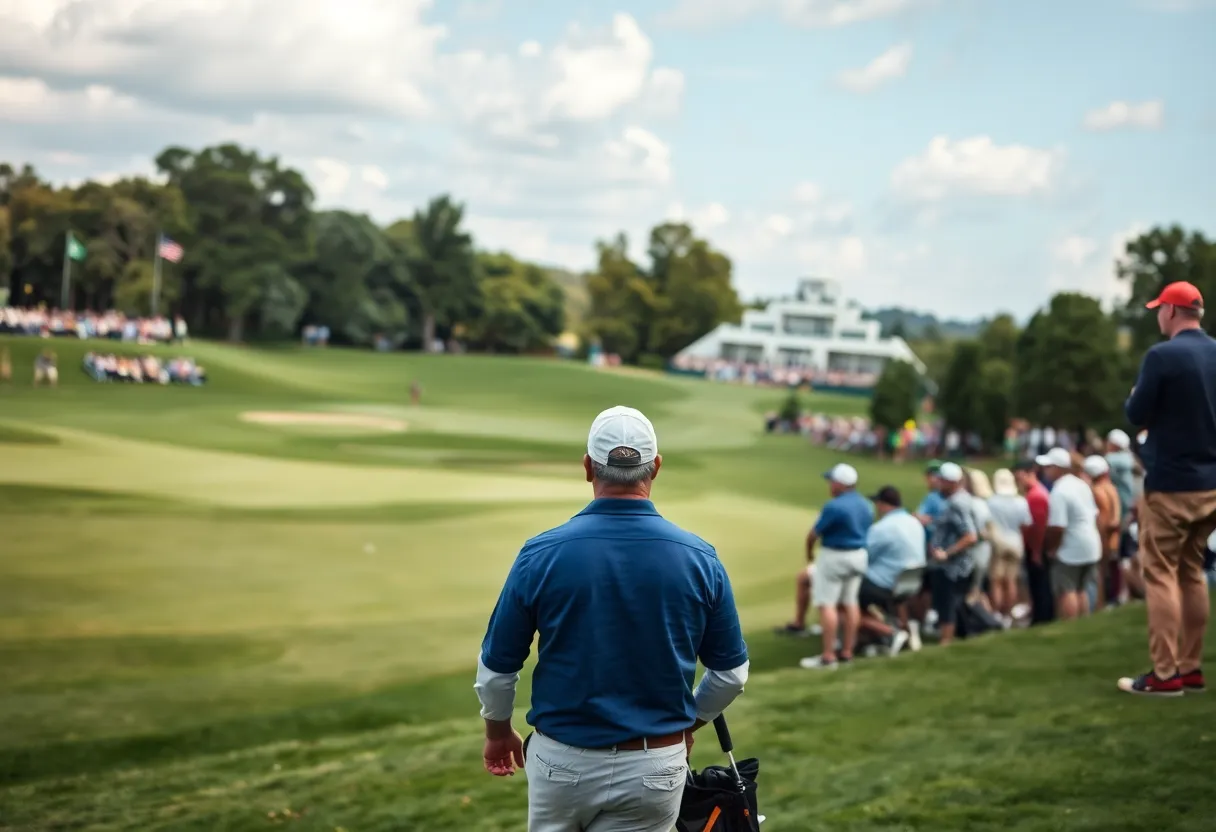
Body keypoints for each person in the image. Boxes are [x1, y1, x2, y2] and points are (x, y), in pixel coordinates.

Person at [474, 405, 749, 830]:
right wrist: (688, 723)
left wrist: (496, 733)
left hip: (562, 762)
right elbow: (731, 674)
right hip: (656, 765)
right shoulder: (700, 559)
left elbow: (497, 670)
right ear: (655, 468)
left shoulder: (540, 554)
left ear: (588, 467)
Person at [1118, 280, 1216, 697]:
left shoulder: (1161, 356)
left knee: (1159, 573)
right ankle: (1191, 667)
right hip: (1211, 483)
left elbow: (1135, 412)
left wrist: (1137, 396)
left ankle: (1164, 674)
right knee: (1192, 570)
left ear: (1172, 312)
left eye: (1160, 308)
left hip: (1171, 483)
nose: (1158, 314)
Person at [799, 463, 872, 669]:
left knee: (827, 604)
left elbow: (814, 534)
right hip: (859, 556)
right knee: (850, 603)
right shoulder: (867, 504)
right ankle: (847, 652)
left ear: (840, 484)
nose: (829, 485)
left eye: (832, 481)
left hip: (835, 556)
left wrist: (809, 554)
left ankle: (828, 656)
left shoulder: (834, 506)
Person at [856, 485, 926, 655]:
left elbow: (863, 557)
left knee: (845, 597)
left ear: (882, 504)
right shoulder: (914, 521)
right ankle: (899, 629)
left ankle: (890, 633)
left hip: (888, 583)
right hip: (911, 581)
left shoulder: (882, 528)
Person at [1037, 447, 1101, 620]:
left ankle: (1070, 625)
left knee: (1067, 590)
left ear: (1058, 468)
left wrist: (1051, 549)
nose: (1045, 470)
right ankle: (1083, 624)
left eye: (1048, 466)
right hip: (1091, 544)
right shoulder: (1081, 484)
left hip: (1071, 549)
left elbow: (1057, 527)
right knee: (1081, 589)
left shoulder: (1059, 491)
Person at [927, 462, 978, 646]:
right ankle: (961, 634)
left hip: (952, 567)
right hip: (957, 565)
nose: (937, 483)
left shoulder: (957, 503)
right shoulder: (963, 499)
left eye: (940, 480)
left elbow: (970, 536)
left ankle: (945, 640)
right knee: (955, 603)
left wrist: (946, 553)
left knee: (947, 603)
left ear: (950, 482)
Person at [987, 468, 1031, 627]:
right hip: (1015, 542)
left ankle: (999, 614)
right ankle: (1009, 612)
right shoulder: (1020, 501)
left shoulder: (991, 501)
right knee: (1011, 580)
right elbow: (1026, 523)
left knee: (997, 580)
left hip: (998, 544)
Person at [1015, 460, 1054, 625]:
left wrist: (1037, 551)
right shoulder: (1034, 493)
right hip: (1034, 546)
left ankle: (1041, 617)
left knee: (1039, 585)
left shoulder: (1036, 496)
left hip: (1035, 548)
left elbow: (1039, 527)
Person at [1084, 455, 1122, 609]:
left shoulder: (1097, 491)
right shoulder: (1111, 487)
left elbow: (1106, 521)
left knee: (1099, 575)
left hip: (1105, 539)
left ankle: (1099, 605)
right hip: (1114, 539)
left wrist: (1099, 538)